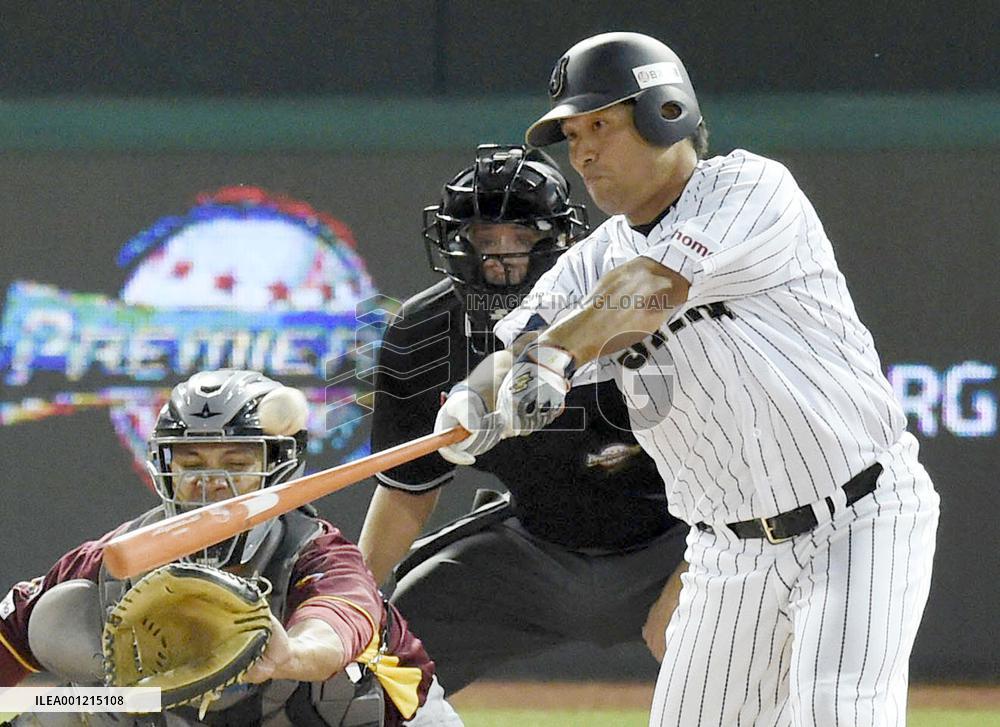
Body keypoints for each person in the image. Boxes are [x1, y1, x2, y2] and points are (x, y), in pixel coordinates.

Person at [433, 32, 940, 727]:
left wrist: (555, 357)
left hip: (858, 515)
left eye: (601, 125)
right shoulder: (594, 256)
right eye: (572, 134)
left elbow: (649, 286)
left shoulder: (752, 190)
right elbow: (520, 344)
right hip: (728, 551)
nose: (581, 152)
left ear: (665, 112)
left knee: (836, 709)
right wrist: (480, 395)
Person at [357, 144, 689, 693]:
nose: (501, 260)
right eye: (483, 241)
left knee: (721, 660)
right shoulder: (423, 333)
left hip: (680, 540)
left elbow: (737, 470)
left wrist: (694, 576)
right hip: (533, 550)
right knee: (375, 663)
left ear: (563, 245)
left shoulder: (637, 311)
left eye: (524, 239)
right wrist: (351, 604)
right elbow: (405, 491)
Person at [0, 369, 462, 727]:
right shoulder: (109, 562)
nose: (210, 484)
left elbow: (338, 627)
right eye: (191, 462)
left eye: (237, 463)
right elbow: (11, 636)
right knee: (63, 710)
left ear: (279, 467)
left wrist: (291, 655)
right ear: (165, 466)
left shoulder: (319, 555)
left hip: (368, 718)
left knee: (335, 693)